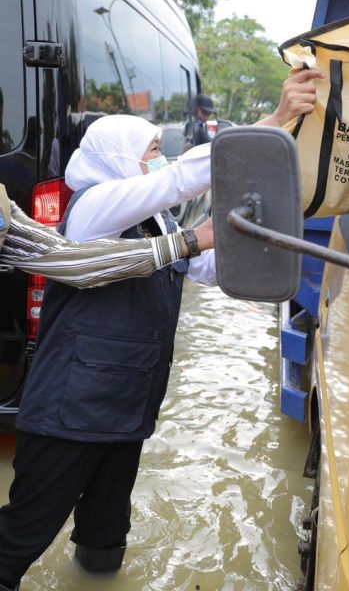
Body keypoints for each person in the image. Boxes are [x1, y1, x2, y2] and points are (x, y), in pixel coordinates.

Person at [0, 66, 323, 591]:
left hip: (127, 407)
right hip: (70, 412)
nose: (160, 160)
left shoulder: (161, 224)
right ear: (119, 158)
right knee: (22, 536)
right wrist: (277, 119)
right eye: (150, 151)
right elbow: (177, 182)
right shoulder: (92, 209)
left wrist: (268, 247)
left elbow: (207, 271)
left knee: (105, 541)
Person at [0, 185, 213, 287]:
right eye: (155, 148)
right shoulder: (98, 204)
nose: (161, 159)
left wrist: (187, 242)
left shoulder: (3, 207)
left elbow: (71, 261)